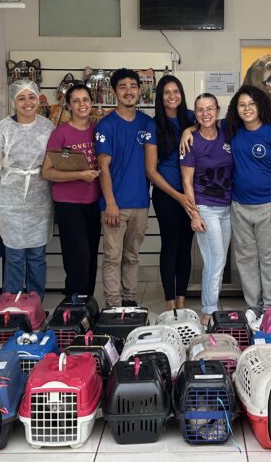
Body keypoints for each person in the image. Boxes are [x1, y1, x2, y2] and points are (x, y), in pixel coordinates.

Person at [0, 79, 55, 295]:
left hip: (40, 198)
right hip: (8, 200)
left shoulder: (48, 127)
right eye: (21, 98)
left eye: (31, 97)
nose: (27, 103)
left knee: (37, 254)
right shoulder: (1, 131)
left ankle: (35, 303)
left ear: (38, 99)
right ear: (13, 102)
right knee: (14, 254)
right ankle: (11, 305)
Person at [225, 85, 271, 312]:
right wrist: (187, 131)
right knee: (246, 259)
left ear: (260, 106)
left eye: (251, 104)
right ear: (236, 109)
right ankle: (253, 307)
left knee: (270, 259)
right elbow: (204, 122)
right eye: (242, 105)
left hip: (269, 206)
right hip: (239, 205)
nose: (247, 109)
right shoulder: (232, 129)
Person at [95, 68, 154, 308]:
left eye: (133, 86)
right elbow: (103, 166)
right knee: (112, 257)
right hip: (114, 206)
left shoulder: (147, 123)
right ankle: (113, 305)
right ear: (114, 92)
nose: (128, 91)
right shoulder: (106, 126)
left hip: (140, 203)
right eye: (122, 87)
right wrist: (110, 202)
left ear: (139, 90)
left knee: (132, 256)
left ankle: (129, 301)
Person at [42, 82, 102, 300]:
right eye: (76, 101)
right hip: (68, 204)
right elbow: (47, 172)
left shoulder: (98, 131)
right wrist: (79, 175)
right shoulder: (60, 133)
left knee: (91, 256)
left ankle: (87, 302)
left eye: (85, 100)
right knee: (77, 256)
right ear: (69, 105)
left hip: (94, 202)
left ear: (92, 102)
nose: (81, 104)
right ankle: (74, 303)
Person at [180, 93, 234, 326]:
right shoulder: (191, 141)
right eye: (200, 110)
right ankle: (209, 310)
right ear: (195, 113)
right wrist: (194, 214)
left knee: (218, 261)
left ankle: (211, 305)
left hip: (227, 208)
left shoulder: (227, 134)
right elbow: (186, 181)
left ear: (217, 110)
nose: (205, 114)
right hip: (205, 207)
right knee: (215, 259)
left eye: (210, 108)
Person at [145, 75, 197, 311]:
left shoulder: (191, 118)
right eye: (167, 92)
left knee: (186, 247)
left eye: (176, 91)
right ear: (160, 97)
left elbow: (212, 125)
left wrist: (191, 129)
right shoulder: (153, 125)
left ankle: (182, 300)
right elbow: (151, 171)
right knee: (170, 245)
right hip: (167, 195)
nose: (172, 96)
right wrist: (178, 196)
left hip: (191, 192)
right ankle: (169, 303)